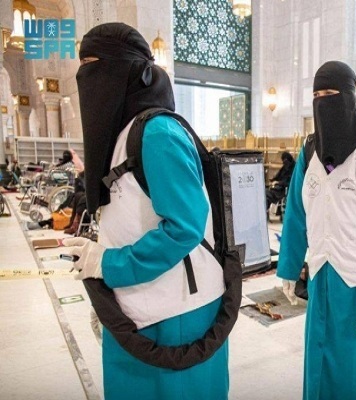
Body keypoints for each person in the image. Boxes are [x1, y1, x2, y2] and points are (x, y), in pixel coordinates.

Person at [63, 23, 228, 399]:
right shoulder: (123, 136)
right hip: (139, 306)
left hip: (178, 316)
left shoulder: (157, 134)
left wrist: (110, 266)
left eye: (95, 65)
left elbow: (185, 227)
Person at [277, 61, 356, 399]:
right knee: (320, 363)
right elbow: (295, 214)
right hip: (321, 277)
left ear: (348, 97)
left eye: (329, 94)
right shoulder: (308, 154)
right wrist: (289, 268)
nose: (322, 101)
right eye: (316, 95)